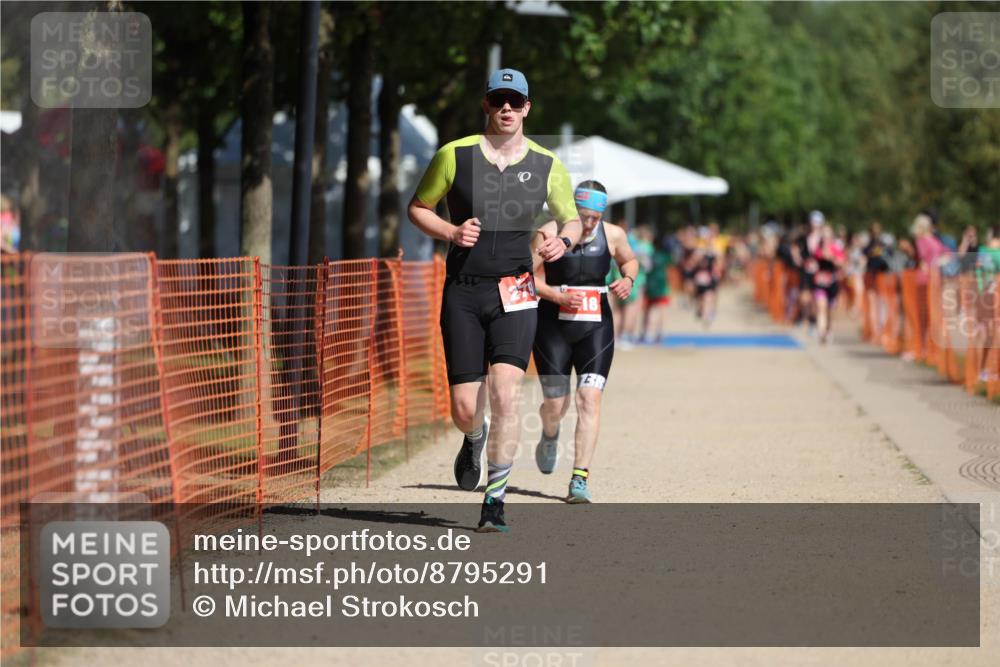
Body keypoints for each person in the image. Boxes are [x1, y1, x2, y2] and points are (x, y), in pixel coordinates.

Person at [407, 68, 582, 532]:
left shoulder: (548, 164)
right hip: (464, 290)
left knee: (506, 394)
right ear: (486, 105)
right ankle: (473, 437)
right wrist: (450, 230)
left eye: (515, 101)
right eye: (498, 100)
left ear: (527, 108)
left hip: (517, 288)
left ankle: (495, 500)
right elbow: (418, 208)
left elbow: (572, 220)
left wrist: (562, 241)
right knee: (466, 406)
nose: (506, 108)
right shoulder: (454, 155)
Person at [530, 181, 638, 503]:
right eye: (583, 215)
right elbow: (525, 276)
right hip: (552, 327)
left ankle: (579, 479)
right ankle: (550, 434)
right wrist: (555, 294)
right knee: (556, 405)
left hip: (596, 328)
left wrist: (628, 279)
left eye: (595, 216)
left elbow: (629, 260)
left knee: (589, 399)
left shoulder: (613, 234)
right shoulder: (548, 232)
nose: (589, 223)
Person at [812, 223, 846, 344]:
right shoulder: (818, 248)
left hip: (832, 283)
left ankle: (828, 329)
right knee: (821, 307)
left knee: (829, 310)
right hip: (820, 282)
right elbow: (812, 260)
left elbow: (841, 263)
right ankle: (821, 332)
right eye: (824, 234)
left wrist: (832, 258)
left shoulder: (836, 249)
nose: (826, 237)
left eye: (828, 234)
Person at [643, 233, 673, 344]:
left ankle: (647, 332)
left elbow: (646, 269)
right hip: (662, 285)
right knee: (661, 310)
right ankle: (659, 332)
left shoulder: (650, 256)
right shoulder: (666, 256)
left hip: (651, 284)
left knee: (650, 309)